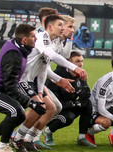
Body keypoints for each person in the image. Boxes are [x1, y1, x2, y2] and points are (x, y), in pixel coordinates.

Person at [16, 14, 86, 150]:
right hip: (22, 79)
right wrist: (74, 68)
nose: (72, 30)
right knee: (23, 111)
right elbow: (53, 58)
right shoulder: (42, 37)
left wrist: (53, 83)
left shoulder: (56, 43)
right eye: (68, 26)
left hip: (34, 80)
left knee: (51, 108)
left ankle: (27, 139)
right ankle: (13, 138)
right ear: (51, 26)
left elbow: (44, 68)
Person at [0, 24, 39, 152]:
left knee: (21, 115)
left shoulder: (18, 47)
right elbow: (10, 86)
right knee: (15, 111)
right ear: (24, 40)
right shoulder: (14, 55)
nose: (36, 39)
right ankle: (3, 146)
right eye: (33, 36)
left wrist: (28, 102)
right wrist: (29, 102)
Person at [42, 51, 95, 147]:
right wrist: (71, 104)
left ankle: (82, 138)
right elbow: (53, 102)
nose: (81, 64)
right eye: (77, 61)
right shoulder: (56, 76)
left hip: (71, 105)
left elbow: (86, 95)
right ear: (68, 62)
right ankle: (47, 131)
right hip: (55, 111)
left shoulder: (80, 75)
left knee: (88, 104)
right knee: (69, 117)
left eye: (82, 61)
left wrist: (78, 101)